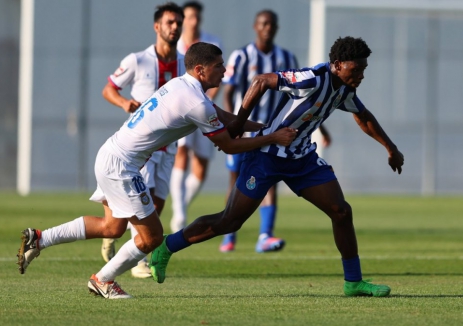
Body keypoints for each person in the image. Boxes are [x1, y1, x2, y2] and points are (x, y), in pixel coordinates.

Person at [16, 42, 298, 299]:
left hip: (111, 153)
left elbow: (225, 118)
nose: (224, 70)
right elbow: (228, 145)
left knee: (112, 227)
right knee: (152, 237)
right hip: (122, 165)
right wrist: (273, 138)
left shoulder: (182, 86)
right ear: (200, 70)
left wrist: (264, 128)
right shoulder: (195, 102)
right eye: (218, 66)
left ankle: (40, 238)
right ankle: (102, 280)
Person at [149, 36, 405, 298]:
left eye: (364, 69)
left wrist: (390, 148)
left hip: (301, 158)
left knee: (341, 211)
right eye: (357, 69)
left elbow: (363, 116)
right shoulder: (312, 78)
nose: (361, 75)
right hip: (266, 156)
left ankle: (353, 282)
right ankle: (167, 246)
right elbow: (261, 80)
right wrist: (238, 123)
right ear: (338, 64)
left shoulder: (345, 88)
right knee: (230, 220)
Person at [218, 9, 331, 253]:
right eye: (264, 23)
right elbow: (228, 92)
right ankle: (229, 235)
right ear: (256, 26)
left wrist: (322, 129)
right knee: (235, 178)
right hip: (245, 128)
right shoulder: (241, 56)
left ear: (276, 28)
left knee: (270, 179)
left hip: (274, 132)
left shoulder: (287, 58)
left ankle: (265, 235)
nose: (268, 28)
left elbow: (307, 100)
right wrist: (234, 124)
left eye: (272, 24)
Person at [99, 2, 184, 279]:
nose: (175, 27)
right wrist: (124, 103)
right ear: (157, 26)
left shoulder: (185, 62)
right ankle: (139, 260)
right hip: (142, 147)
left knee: (157, 204)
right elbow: (109, 89)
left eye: (178, 22)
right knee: (142, 198)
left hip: (169, 146)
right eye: (170, 22)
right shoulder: (138, 60)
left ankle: (113, 230)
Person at [170, 1, 223, 233]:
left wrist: (206, 102)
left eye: (196, 17)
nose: (194, 21)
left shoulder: (212, 43)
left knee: (200, 168)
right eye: (190, 17)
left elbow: (220, 77)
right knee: (181, 154)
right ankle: (179, 216)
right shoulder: (176, 45)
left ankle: (180, 205)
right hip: (182, 110)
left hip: (205, 108)